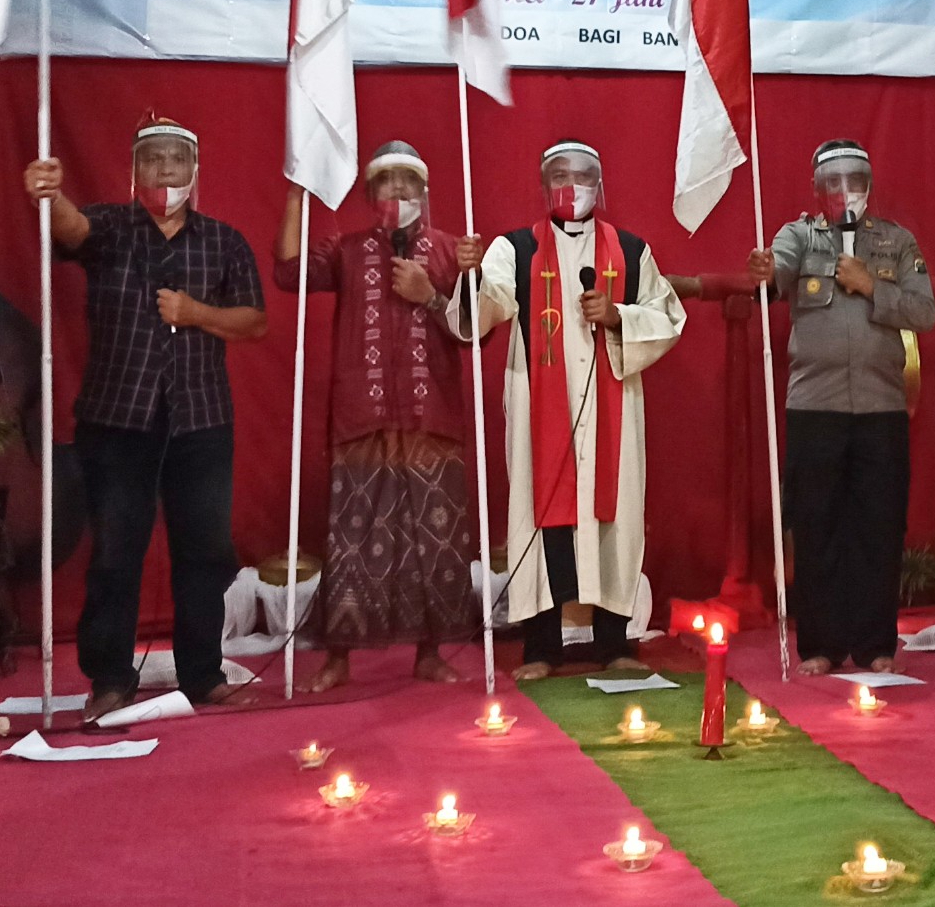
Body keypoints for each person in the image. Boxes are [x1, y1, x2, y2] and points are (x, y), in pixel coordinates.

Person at [25, 118, 266, 725]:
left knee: (205, 551)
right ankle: (109, 677)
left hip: (202, 420)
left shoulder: (224, 241)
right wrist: (50, 195)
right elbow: (70, 228)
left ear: (195, 171)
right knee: (115, 554)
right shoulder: (111, 226)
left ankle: (203, 674)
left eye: (176, 160)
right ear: (134, 171)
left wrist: (195, 312)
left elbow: (253, 322)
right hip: (116, 419)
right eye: (152, 159)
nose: (164, 170)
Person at [451, 141, 684, 680]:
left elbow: (668, 316)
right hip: (540, 406)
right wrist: (472, 278)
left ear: (600, 187)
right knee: (542, 511)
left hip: (613, 409)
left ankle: (614, 641)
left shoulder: (630, 250)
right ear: (542, 185)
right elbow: (490, 307)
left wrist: (620, 315)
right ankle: (541, 646)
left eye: (582, 177)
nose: (571, 186)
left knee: (613, 519)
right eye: (559, 175)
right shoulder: (515, 249)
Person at [274, 142, 480, 691]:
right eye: (387, 183)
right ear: (369, 196)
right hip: (361, 415)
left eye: (408, 184)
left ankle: (430, 654)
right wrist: (297, 195)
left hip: (429, 415)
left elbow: (475, 330)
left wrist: (445, 288)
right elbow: (290, 274)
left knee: (433, 541)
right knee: (353, 536)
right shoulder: (345, 249)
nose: (398, 193)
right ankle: (338, 657)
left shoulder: (449, 251)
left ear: (425, 194)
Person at [748, 140, 935, 676]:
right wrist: (764, 271)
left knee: (878, 524)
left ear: (869, 186)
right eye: (833, 182)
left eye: (855, 180)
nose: (844, 190)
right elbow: (775, 274)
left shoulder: (896, 241)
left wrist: (871, 286)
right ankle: (820, 645)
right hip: (815, 405)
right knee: (817, 524)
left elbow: (924, 311)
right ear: (817, 188)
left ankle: (876, 642)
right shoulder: (798, 235)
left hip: (881, 405)